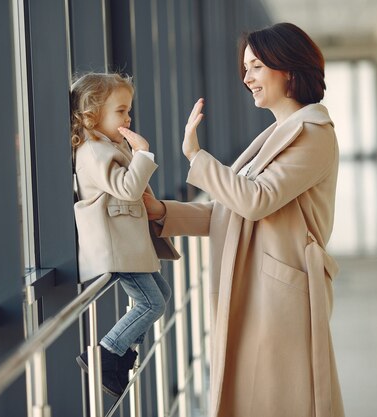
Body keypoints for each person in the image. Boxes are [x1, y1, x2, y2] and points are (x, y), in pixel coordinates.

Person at [139, 23, 345, 417]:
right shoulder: (277, 133)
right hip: (259, 289)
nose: (246, 77)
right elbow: (230, 209)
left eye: (255, 66)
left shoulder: (315, 134)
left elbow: (256, 200)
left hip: (282, 295)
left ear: (286, 67)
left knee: (283, 401)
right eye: (245, 68)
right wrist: (164, 213)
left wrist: (195, 156)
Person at [69, 72, 179, 397]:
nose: (128, 117)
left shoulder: (108, 146)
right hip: (116, 245)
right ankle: (106, 353)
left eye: (128, 110)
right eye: (121, 111)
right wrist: (143, 152)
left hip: (128, 243)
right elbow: (128, 189)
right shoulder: (93, 152)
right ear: (93, 114)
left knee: (162, 296)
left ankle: (121, 356)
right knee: (152, 304)